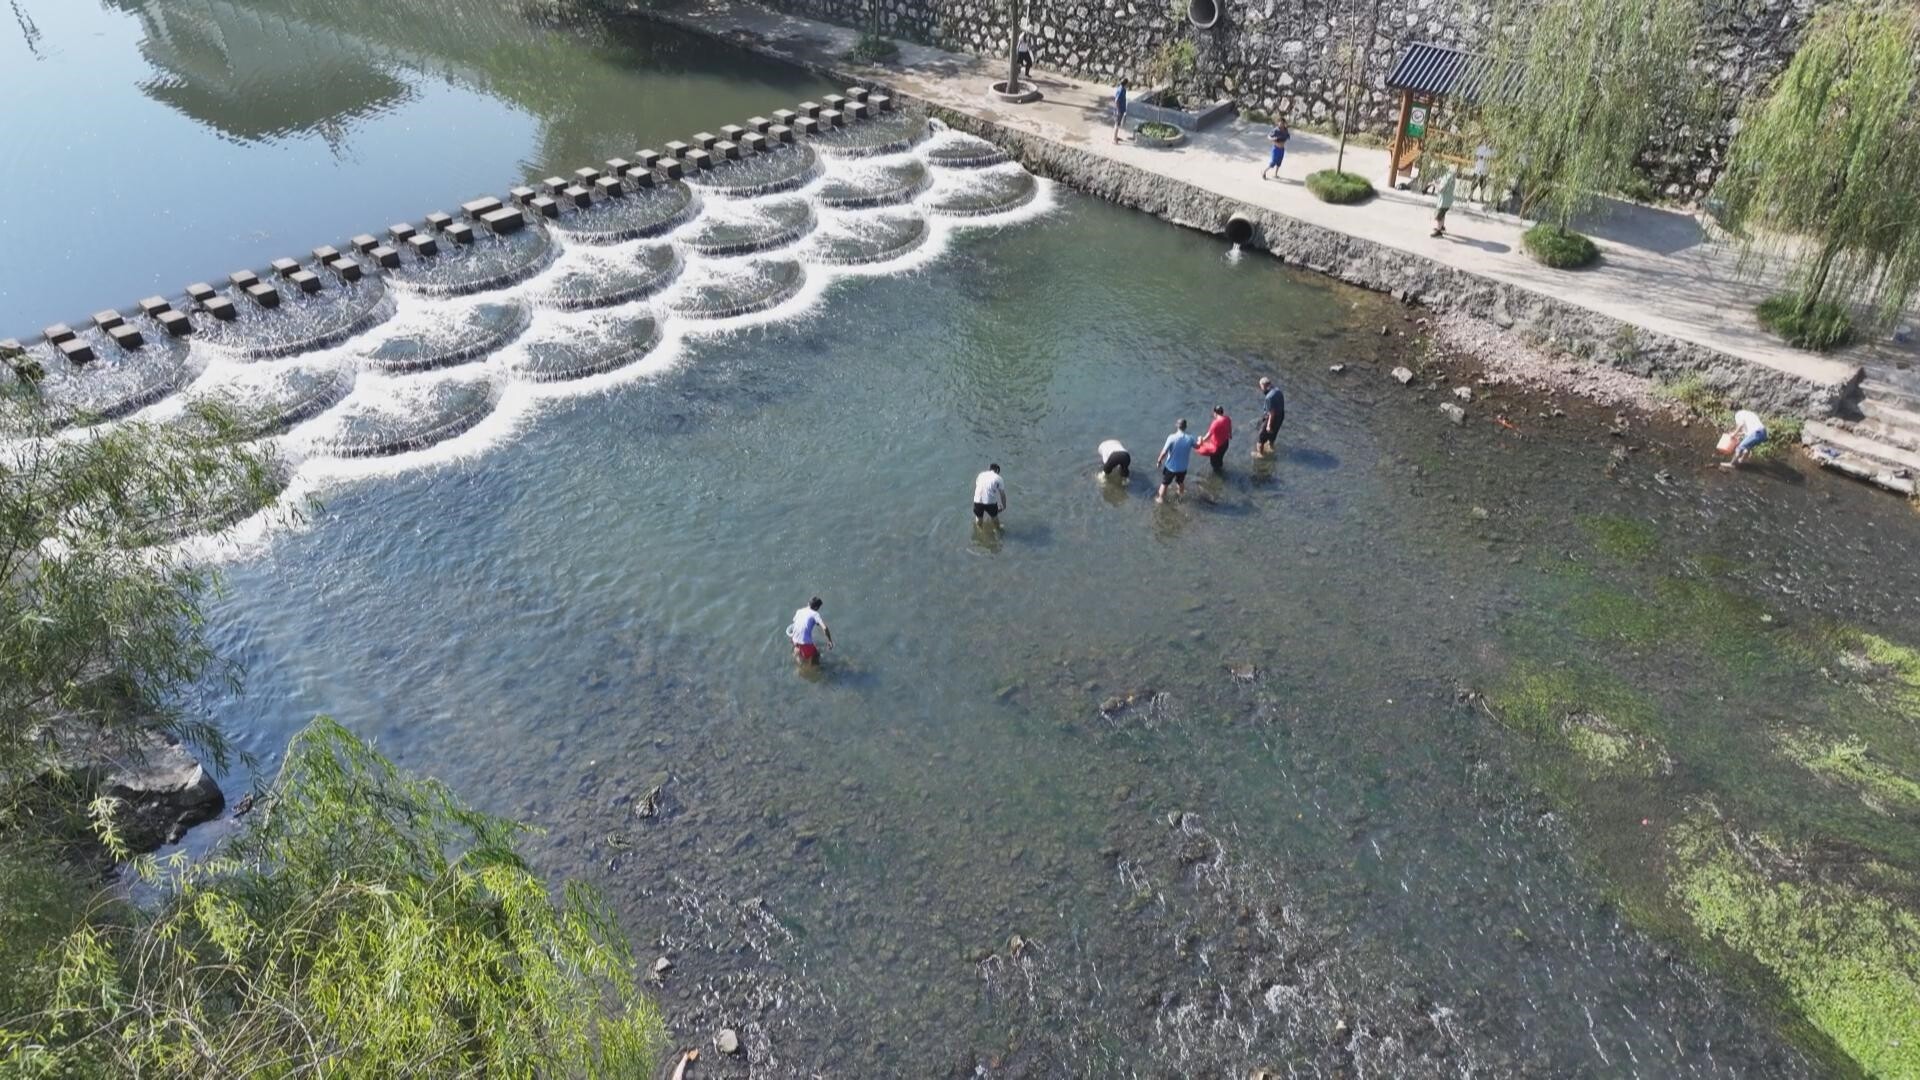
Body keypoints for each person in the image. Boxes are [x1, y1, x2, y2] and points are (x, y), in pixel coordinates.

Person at [1155, 419, 1197, 503]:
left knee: (1165, 483)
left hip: (1171, 467)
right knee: (1180, 482)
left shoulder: (1172, 437)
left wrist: (1159, 460)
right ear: (1185, 427)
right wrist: (1200, 440)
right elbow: (1197, 446)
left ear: (1176, 426)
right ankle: (1180, 495)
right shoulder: (1190, 438)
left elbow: (1164, 451)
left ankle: (1160, 499)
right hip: (1183, 467)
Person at [787, 596, 833, 665]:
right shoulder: (815, 614)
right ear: (816, 608)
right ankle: (808, 670)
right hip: (805, 644)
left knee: (799, 654)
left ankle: (798, 666)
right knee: (816, 656)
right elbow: (825, 628)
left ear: (808, 603)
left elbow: (795, 625)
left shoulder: (799, 611)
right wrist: (830, 640)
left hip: (794, 640)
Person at [1253, 376, 1285, 458]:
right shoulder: (1278, 391)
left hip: (1271, 418)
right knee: (1273, 434)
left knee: (1261, 437)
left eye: (1261, 387)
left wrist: (1268, 425)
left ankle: (1260, 454)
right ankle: (1270, 447)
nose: (1261, 389)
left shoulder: (1269, 397)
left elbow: (1271, 413)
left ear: (1264, 385)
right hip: (1280, 415)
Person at [1195, 405, 1232, 472]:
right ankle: (1221, 468)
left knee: (1214, 464)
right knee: (1220, 459)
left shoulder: (1215, 423)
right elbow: (1229, 428)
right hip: (1225, 444)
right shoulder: (1227, 418)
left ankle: (1218, 475)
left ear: (1215, 413)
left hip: (1217, 447)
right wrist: (1230, 434)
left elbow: (1208, 435)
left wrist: (1200, 439)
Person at [1431, 166, 1457, 238]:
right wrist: (1436, 181)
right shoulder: (1451, 177)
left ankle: (1438, 232)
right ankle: (1441, 227)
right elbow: (1442, 181)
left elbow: (1441, 189)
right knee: (1443, 214)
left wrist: (1434, 184)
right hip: (1448, 200)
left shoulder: (1447, 177)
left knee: (1438, 216)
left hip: (1443, 201)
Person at [1262, 116, 1290, 180]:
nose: (1281, 124)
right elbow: (1268, 136)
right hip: (1276, 149)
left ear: (1284, 123)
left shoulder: (1285, 130)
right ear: (1278, 123)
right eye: (1280, 123)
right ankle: (1264, 172)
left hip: (1282, 149)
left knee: (1279, 162)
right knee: (1273, 162)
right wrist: (1272, 138)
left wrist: (1285, 139)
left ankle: (1275, 174)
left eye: (1282, 123)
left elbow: (1287, 136)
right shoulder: (1276, 130)